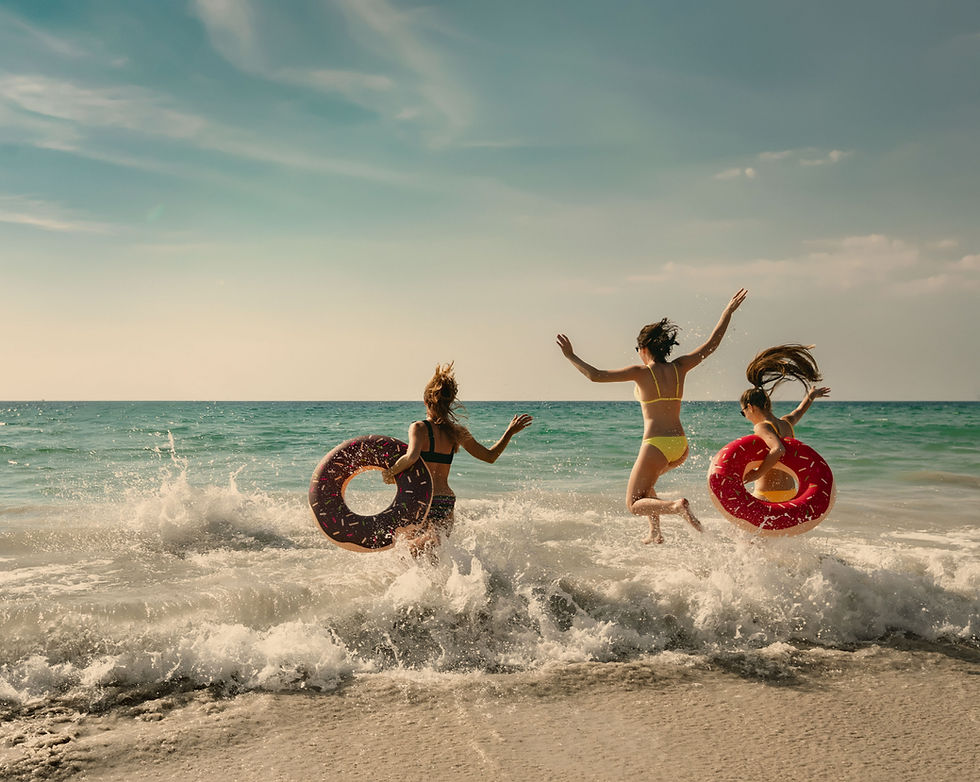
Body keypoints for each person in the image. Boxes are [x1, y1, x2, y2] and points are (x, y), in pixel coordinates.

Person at [556, 289, 748, 544]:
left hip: (656, 444)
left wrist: (570, 356)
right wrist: (727, 312)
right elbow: (712, 345)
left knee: (634, 503)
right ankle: (655, 531)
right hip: (680, 446)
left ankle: (676, 506)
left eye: (637, 348)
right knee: (646, 486)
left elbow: (596, 375)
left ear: (644, 348)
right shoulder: (680, 366)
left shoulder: (641, 372)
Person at [383, 362, 533, 556]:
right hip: (445, 499)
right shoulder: (457, 432)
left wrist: (390, 472)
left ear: (426, 400)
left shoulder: (418, 427)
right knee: (437, 553)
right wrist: (509, 432)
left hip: (424, 499)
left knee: (412, 552)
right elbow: (490, 456)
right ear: (449, 402)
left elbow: (411, 457)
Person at [739, 344, 830, 500]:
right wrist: (811, 396)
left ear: (750, 407)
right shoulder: (786, 423)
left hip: (766, 495)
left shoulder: (762, 427)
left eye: (743, 412)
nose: (745, 415)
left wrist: (756, 474)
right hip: (790, 493)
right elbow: (798, 412)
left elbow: (778, 449)